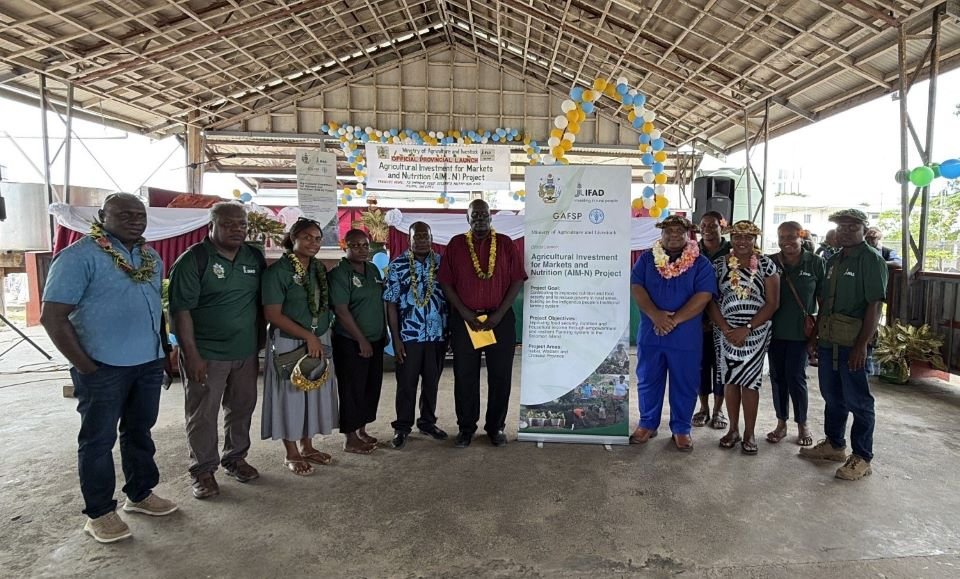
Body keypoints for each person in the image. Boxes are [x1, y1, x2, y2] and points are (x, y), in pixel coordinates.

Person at [40, 193, 177, 544]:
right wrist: (87, 367)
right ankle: (99, 512)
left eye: (140, 215)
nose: (135, 220)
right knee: (98, 441)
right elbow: (52, 317)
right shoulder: (78, 257)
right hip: (102, 366)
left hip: (147, 362)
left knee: (139, 431)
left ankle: (140, 494)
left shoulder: (149, 257)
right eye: (125, 214)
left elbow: (156, 310)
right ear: (102, 216)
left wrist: (162, 353)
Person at [168, 202, 264, 499]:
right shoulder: (193, 260)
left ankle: (235, 458)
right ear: (211, 226)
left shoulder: (253, 257)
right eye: (228, 224)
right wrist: (191, 355)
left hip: (245, 351)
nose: (237, 229)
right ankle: (203, 470)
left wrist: (259, 343)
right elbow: (180, 311)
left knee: (242, 407)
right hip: (207, 353)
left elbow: (260, 302)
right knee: (203, 414)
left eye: (242, 224)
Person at [800, 209, 887, 481]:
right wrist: (814, 338)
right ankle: (835, 444)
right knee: (832, 396)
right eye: (841, 227)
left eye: (852, 227)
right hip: (829, 339)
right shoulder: (834, 259)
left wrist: (862, 345)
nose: (846, 232)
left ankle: (862, 457)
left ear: (864, 229)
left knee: (858, 401)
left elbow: (875, 305)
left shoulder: (870, 260)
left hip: (853, 342)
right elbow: (825, 303)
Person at [438, 199, 527, 448]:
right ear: (467, 219)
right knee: (464, 375)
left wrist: (499, 314)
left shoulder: (506, 243)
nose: (479, 219)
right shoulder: (456, 244)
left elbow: (517, 279)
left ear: (490, 216)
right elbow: (445, 282)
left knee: (501, 376)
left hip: (500, 319)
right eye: (474, 215)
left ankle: (495, 427)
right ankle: (466, 428)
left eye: (483, 214)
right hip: (465, 320)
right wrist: (465, 313)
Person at [630, 215, 716, 452]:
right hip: (652, 332)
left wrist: (673, 320)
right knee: (648, 379)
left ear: (688, 234)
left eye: (679, 231)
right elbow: (637, 287)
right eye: (668, 231)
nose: (674, 235)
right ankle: (647, 424)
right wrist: (656, 315)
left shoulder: (701, 263)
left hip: (685, 336)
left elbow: (704, 296)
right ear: (661, 234)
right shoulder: (647, 259)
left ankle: (681, 428)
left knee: (684, 382)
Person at [261, 218, 340, 475]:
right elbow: (272, 314)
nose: (313, 243)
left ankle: (307, 446)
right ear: (293, 238)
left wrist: (317, 336)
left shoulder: (318, 268)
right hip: (290, 340)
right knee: (290, 394)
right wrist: (308, 336)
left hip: (318, 339)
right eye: (307, 237)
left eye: (317, 239)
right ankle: (291, 452)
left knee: (313, 391)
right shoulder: (278, 272)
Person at [707, 220, 780, 455]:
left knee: (750, 382)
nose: (742, 241)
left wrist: (747, 328)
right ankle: (733, 430)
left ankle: (750, 433)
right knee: (730, 381)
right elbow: (710, 300)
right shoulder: (719, 265)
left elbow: (773, 303)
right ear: (731, 238)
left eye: (748, 237)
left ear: (755, 240)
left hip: (755, 333)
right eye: (737, 236)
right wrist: (726, 328)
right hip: (726, 332)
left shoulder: (766, 264)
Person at [383, 222, 450, 449]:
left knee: (431, 382)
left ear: (431, 238)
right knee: (406, 384)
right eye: (416, 236)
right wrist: (396, 339)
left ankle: (427, 422)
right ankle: (402, 426)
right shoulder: (397, 266)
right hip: (408, 336)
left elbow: (450, 298)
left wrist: (449, 332)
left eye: (425, 236)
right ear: (408, 239)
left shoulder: (442, 264)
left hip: (436, 336)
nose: (421, 240)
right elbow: (391, 304)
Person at [766, 221, 824, 448]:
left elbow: (823, 302)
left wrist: (815, 336)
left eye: (791, 236)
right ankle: (781, 423)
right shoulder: (770, 262)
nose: (786, 242)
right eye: (782, 237)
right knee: (777, 377)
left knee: (796, 377)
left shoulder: (816, 262)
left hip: (801, 333)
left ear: (801, 236)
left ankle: (803, 423)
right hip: (773, 331)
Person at [329, 229, 386, 454]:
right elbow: (341, 311)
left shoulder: (372, 269)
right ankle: (350, 437)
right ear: (346, 246)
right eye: (356, 245)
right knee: (351, 389)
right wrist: (361, 340)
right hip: (351, 342)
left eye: (365, 245)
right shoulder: (339, 274)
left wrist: (382, 333)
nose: (362, 249)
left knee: (370, 387)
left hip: (376, 339)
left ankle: (362, 430)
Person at [694, 211, 732, 430]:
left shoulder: (733, 250)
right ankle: (703, 408)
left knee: (721, 367)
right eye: (704, 225)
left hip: (725, 321)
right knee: (700, 366)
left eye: (712, 225)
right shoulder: (691, 251)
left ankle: (718, 410)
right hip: (697, 320)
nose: (707, 229)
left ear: (722, 227)